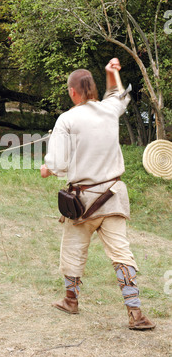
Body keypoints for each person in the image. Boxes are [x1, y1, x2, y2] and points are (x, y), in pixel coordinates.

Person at [40, 58, 155, 330]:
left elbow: (56, 164)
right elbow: (119, 96)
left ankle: (71, 300)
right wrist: (111, 72)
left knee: (72, 250)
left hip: (83, 202)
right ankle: (136, 313)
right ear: (92, 89)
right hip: (113, 196)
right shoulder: (108, 111)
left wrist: (48, 170)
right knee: (121, 252)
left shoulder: (66, 119)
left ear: (72, 92)